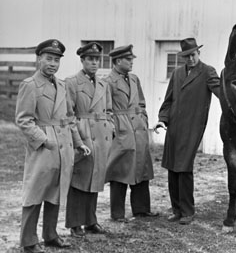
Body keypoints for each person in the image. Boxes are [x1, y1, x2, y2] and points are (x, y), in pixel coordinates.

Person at [15, 39, 90, 253]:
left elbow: (69, 117)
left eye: (57, 60)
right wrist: (43, 139)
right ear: (39, 59)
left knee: (57, 190)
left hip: (64, 144)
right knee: (35, 191)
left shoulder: (61, 85)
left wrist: (79, 142)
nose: (53, 64)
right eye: (49, 59)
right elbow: (23, 120)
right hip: (43, 146)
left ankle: (51, 235)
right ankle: (28, 241)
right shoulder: (30, 85)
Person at [153, 38, 220, 225]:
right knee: (172, 168)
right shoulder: (176, 73)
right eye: (187, 56)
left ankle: (188, 211)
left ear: (199, 53)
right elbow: (168, 100)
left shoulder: (207, 72)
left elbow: (221, 91)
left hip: (192, 127)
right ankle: (176, 210)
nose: (190, 59)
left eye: (193, 55)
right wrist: (162, 119)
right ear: (182, 57)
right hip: (174, 127)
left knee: (184, 168)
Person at [64, 42, 114, 238]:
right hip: (82, 134)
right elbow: (69, 114)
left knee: (95, 178)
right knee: (79, 180)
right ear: (82, 60)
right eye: (90, 59)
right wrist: (77, 139)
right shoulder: (71, 83)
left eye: (97, 59)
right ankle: (75, 223)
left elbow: (109, 111)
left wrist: (110, 128)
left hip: (101, 136)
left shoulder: (103, 84)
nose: (94, 63)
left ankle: (91, 221)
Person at [104, 44, 158, 222]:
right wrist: (114, 127)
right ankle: (117, 213)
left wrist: (143, 119)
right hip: (121, 129)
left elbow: (141, 103)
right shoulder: (108, 82)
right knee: (119, 171)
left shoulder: (134, 79)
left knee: (142, 168)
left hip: (138, 129)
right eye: (128, 59)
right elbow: (106, 109)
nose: (131, 62)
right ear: (118, 61)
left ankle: (141, 209)